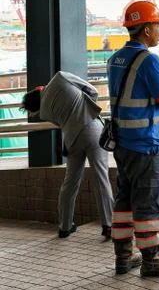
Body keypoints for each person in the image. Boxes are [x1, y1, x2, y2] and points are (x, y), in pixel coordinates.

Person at [107, 0, 159, 277]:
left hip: (122, 143)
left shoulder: (114, 58)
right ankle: (152, 259)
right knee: (150, 200)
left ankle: (123, 257)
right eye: (157, 25)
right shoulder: (149, 59)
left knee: (124, 199)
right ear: (147, 29)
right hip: (145, 143)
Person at [21, 71, 114, 239]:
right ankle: (108, 225)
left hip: (72, 140)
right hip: (92, 129)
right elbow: (93, 91)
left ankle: (64, 226)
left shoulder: (45, 112)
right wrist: (85, 108)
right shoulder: (60, 77)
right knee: (101, 178)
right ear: (38, 89)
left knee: (70, 182)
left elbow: (61, 124)